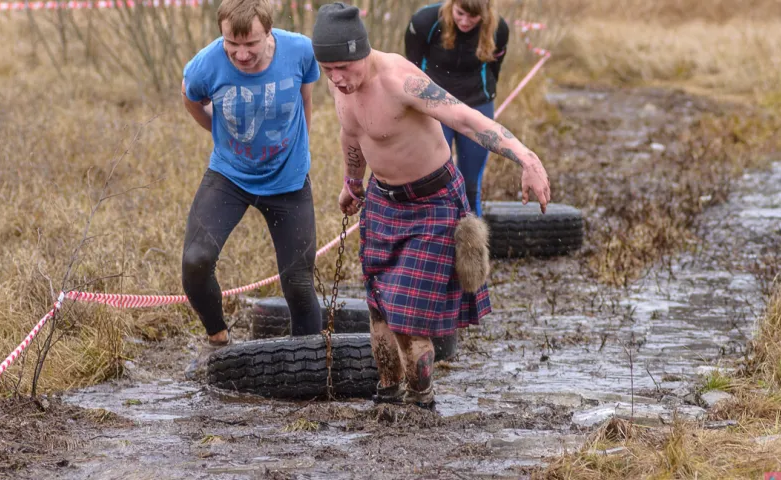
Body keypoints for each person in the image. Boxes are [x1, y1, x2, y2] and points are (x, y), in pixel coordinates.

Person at [311, 2, 550, 409]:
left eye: (343, 68)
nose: (336, 78)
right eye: (328, 69)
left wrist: (526, 158)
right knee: (380, 310)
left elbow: (467, 119)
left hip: (432, 202)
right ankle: (387, 392)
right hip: (383, 201)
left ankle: (421, 400)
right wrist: (352, 183)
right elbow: (352, 134)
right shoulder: (340, 83)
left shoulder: (401, 81)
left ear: (361, 53)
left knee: (407, 316)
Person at [180, 0, 322, 379]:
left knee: (298, 283)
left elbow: (306, 99)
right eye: (232, 44)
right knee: (195, 261)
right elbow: (190, 96)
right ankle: (217, 341)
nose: (241, 54)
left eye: (251, 44)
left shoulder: (300, 51)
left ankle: (307, 366)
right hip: (230, 175)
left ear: (269, 32)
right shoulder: (207, 64)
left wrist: (301, 150)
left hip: (288, 180)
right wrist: (217, 131)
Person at [405, 0, 509, 217]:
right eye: (460, 13)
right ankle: (433, 242)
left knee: (470, 186)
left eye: (473, 17)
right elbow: (410, 68)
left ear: (485, 13)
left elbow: (494, 70)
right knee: (433, 182)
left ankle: (471, 247)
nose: (465, 21)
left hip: (476, 102)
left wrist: (484, 96)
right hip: (434, 104)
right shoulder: (425, 21)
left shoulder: (499, 29)